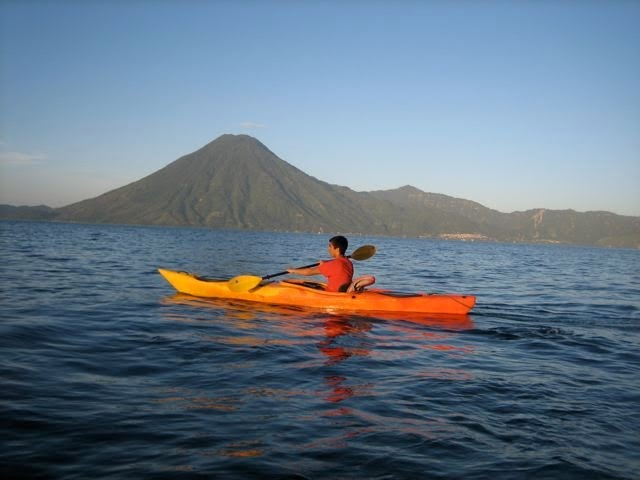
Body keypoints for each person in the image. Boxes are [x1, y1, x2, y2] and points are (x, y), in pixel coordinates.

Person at [288, 235, 354, 292]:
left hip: (332, 294)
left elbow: (309, 272)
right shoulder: (349, 262)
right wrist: (325, 263)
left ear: (337, 249)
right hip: (343, 292)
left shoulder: (333, 264)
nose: (328, 249)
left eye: (330, 246)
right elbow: (338, 266)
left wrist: (293, 270)